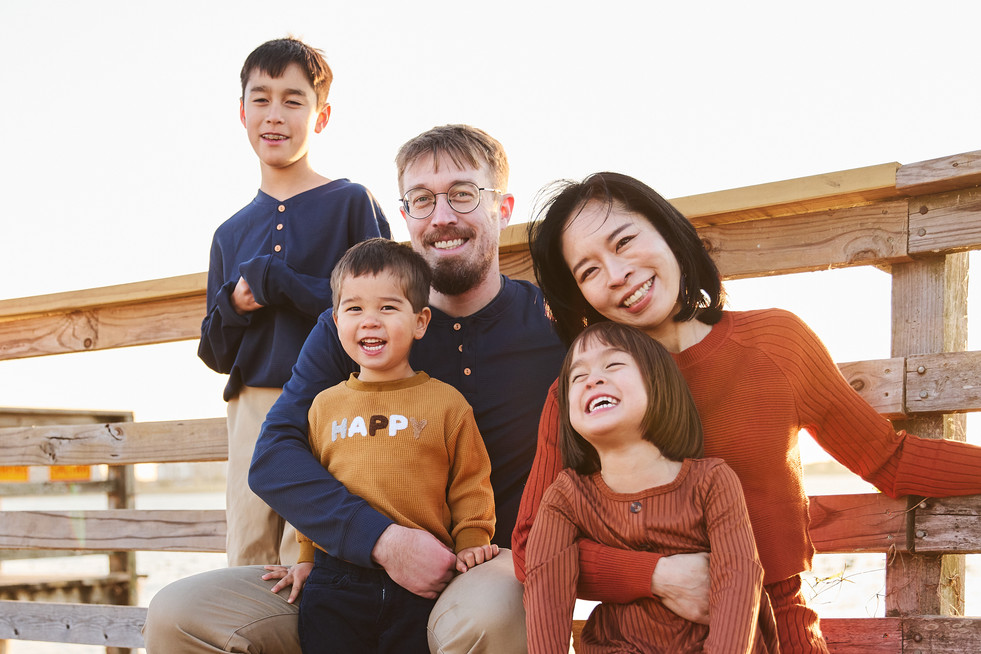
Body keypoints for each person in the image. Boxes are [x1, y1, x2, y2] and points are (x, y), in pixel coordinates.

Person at [513, 171, 981, 652]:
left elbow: (889, 459)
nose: (616, 274)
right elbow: (533, 550)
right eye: (588, 270)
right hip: (636, 636)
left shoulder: (777, 344)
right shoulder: (584, 398)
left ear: (669, 232)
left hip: (777, 628)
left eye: (625, 241)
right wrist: (657, 576)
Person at [143, 124, 566, 653]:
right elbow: (274, 456)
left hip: (484, 570)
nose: (441, 217)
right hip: (346, 577)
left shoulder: (555, 325)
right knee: (178, 614)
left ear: (502, 208)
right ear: (404, 215)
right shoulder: (353, 330)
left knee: (491, 610)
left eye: (463, 194)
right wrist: (380, 541)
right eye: (421, 199)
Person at [198, 37, 390, 567]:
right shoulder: (229, 232)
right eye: (260, 99)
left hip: (333, 401)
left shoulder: (352, 202)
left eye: (293, 100)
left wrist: (279, 282)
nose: (274, 115)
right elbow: (214, 354)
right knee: (250, 557)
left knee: (315, 557)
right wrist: (236, 303)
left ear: (321, 115)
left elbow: (376, 310)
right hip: (250, 407)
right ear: (241, 113)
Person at [295, 238, 498, 653]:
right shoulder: (324, 406)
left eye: (387, 307)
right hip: (336, 580)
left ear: (420, 321)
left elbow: (470, 484)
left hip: (422, 578)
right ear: (336, 321)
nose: (370, 320)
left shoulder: (447, 403)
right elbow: (311, 489)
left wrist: (472, 544)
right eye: (354, 308)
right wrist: (304, 558)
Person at [525, 321, 778, 653]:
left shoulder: (711, 481)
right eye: (577, 377)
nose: (593, 379)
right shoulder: (566, 497)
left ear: (658, 385)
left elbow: (739, 580)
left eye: (613, 364)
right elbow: (547, 592)